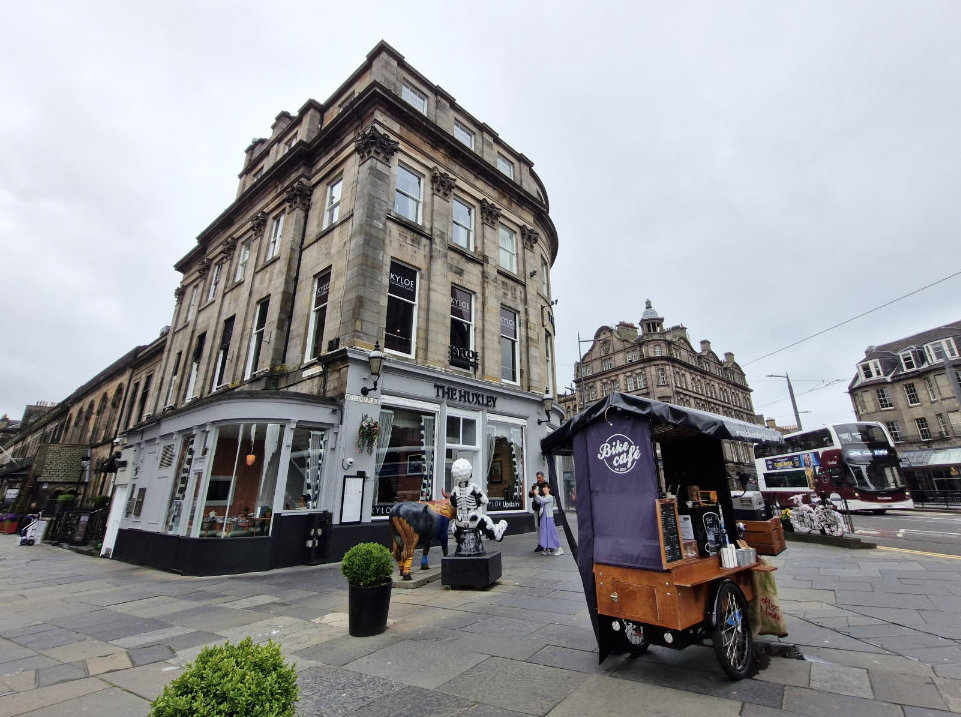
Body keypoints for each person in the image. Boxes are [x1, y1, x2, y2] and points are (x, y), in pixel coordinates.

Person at [532, 484, 562, 555]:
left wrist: (537, 494)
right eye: (543, 488)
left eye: (545, 488)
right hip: (543, 518)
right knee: (544, 534)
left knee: (552, 533)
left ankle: (560, 549)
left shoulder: (550, 497)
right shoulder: (543, 496)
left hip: (549, 518)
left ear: (549, 489)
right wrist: (535, 494)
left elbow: (542, 500)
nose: (544, 489)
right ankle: (546, 549)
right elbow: (538, 501)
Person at [528, 472, 547, 552]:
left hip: (544, 509)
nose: (538, 479)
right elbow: (530, 495)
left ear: (543, 477)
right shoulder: (535, 485)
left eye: (539, 478)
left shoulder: (546, 485)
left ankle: (547, 544)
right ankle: (540, 544)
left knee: (545, 527)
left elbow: (549, 494)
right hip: (536, 508)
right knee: (537, 526)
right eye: (537, 478)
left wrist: (538, 493)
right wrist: (531, 492)